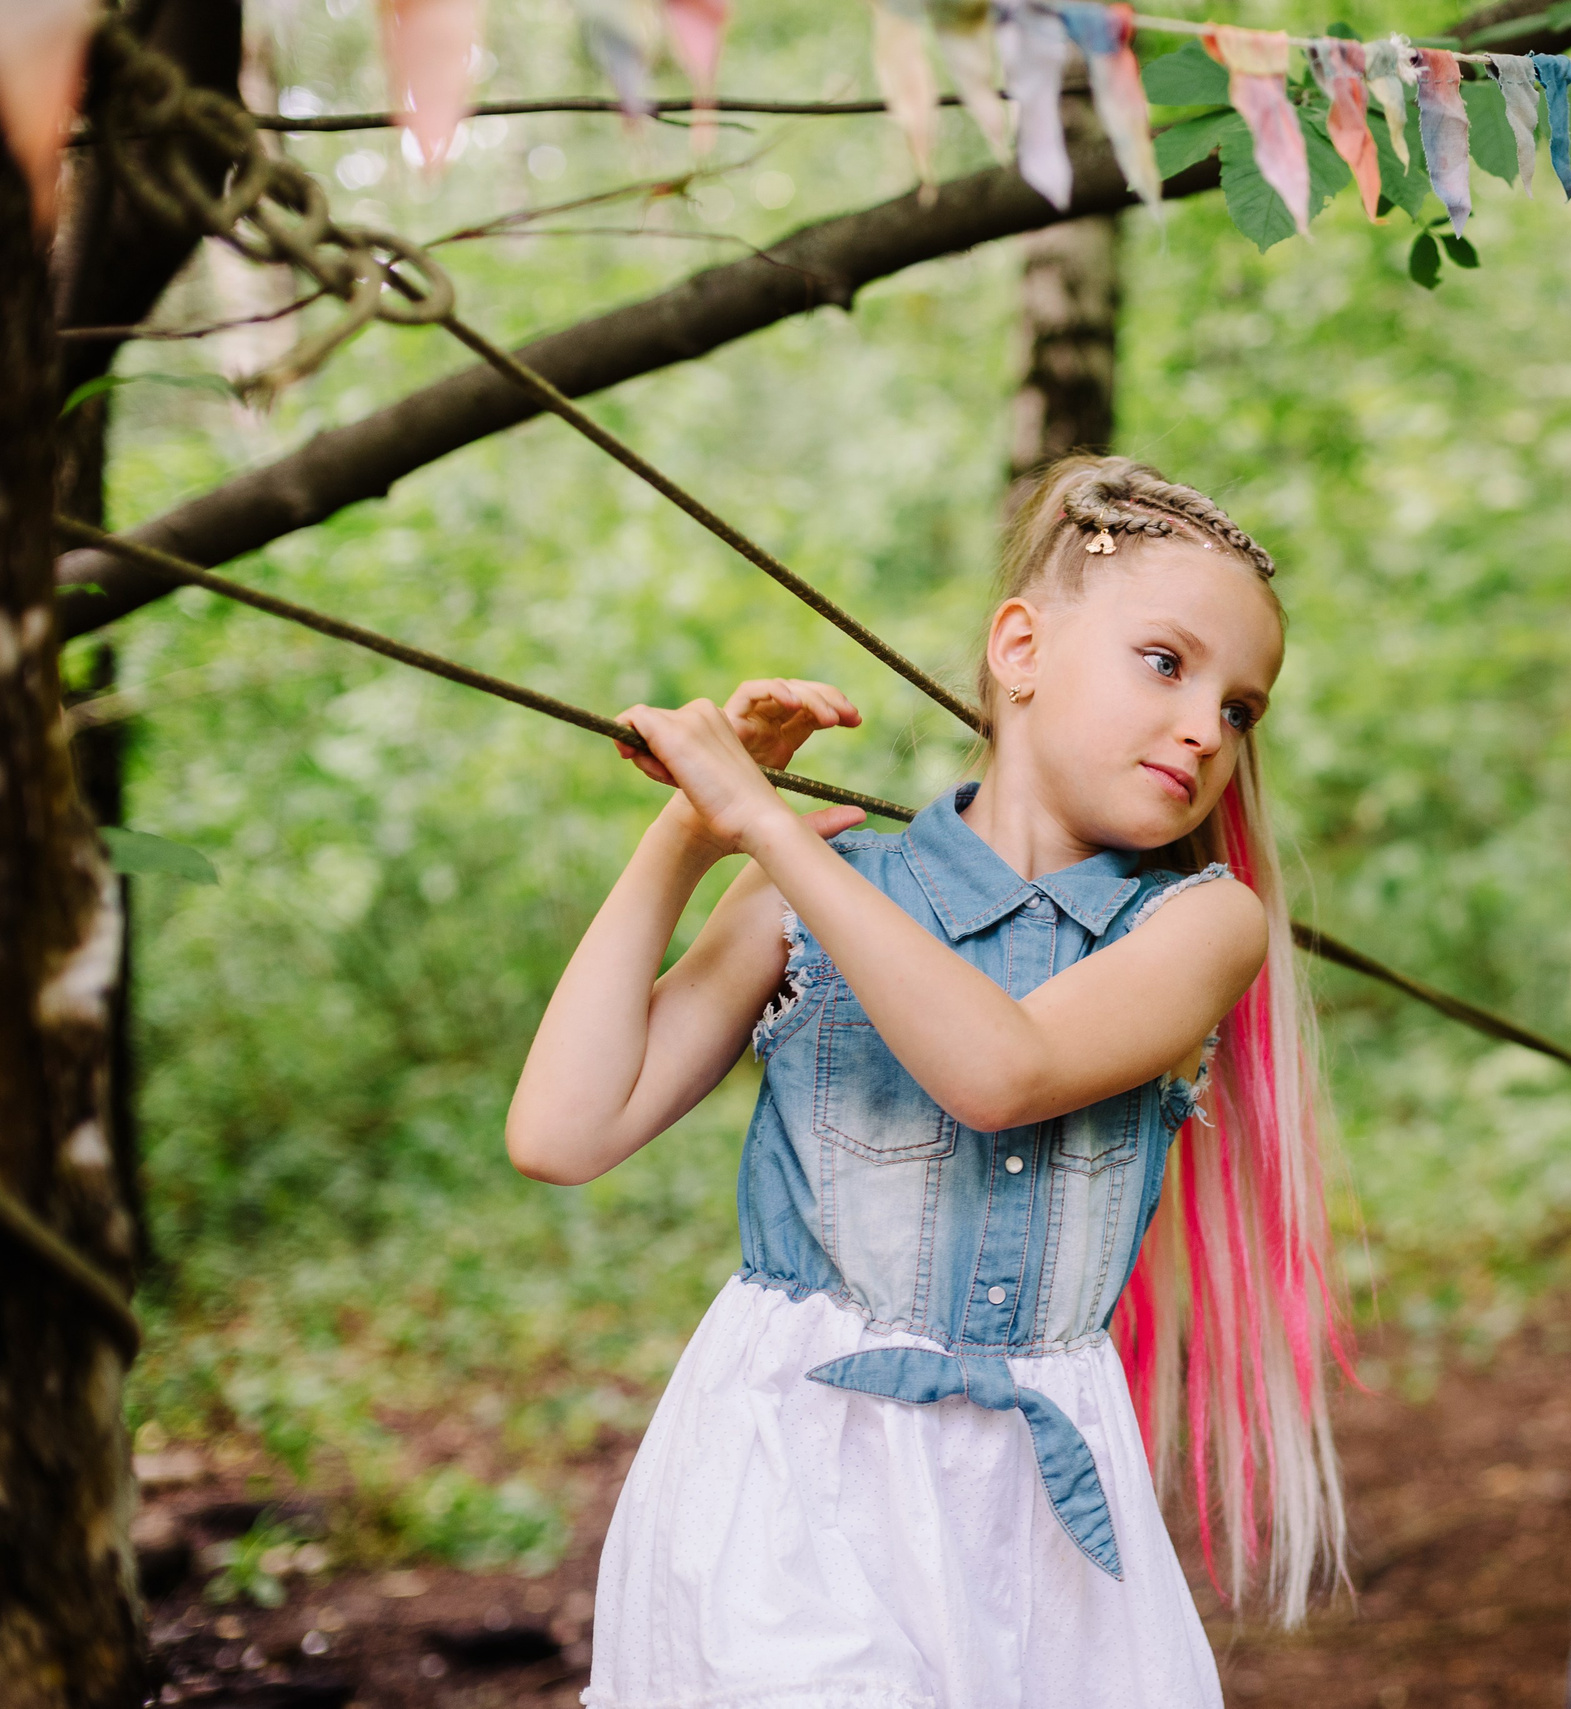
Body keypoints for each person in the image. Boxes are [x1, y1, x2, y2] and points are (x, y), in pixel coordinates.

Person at [507, 457, 1344, 1709]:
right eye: (1165, 662)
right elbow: (562, 1130)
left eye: (1238, 708)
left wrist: (766, 823)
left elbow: (1001, 1070)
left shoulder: (1200, 923)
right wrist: (689, 832)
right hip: (785, 1483)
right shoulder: (817, 887)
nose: (1202, 727)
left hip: (1038, 1527)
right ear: (1020, 648)